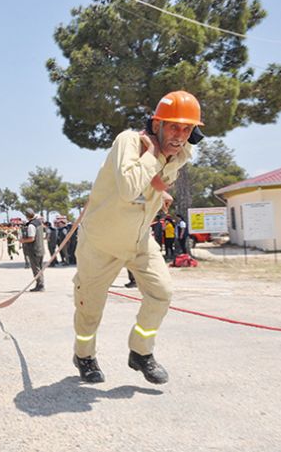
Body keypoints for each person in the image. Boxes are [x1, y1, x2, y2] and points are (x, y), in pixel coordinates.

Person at [71, 90, 202, 385]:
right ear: (156, 124)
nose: (180, 136)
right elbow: (130, 187)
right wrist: (153, 156)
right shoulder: (128, 141)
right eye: (173, 126)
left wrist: (160, 188)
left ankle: (141, 353)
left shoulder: (182, 153)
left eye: (187, 129)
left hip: (140, 239)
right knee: (89, 310)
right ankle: (84, 355)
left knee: (161, 293)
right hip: (100, 243)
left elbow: (156, 178)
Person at [19, 208, 45, 292]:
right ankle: (39, 284)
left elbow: (31, 238)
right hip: (40, 249)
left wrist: (22, 240)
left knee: (36, 269)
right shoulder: (39, 222)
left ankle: (40, 285)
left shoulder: (31, 225)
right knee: (39, 268)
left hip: (34, 250)